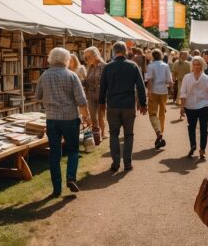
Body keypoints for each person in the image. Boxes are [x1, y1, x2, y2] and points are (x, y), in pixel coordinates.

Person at [36, 48, 90, 197]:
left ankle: (56, 189)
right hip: (70, 118)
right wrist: (87, 117)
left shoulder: (44, 76)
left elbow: (37, 95)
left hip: (52, 119)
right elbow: (81, 100)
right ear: (66, 59)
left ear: (51, 58)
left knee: (54, 154)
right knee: (73, 150)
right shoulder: (71, 75)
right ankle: (71, 177)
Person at [99, 41, 147, 172]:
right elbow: (141, 86)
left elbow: (102, 88)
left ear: (114, 52)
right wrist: (143, 104)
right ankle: (127, 163)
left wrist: (102, 103)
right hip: (128, 105)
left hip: (113, 105)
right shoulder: (133, 66)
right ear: (126, 51)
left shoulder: (108, 67)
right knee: (129, 135)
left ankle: (115, 163)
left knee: (113, 134)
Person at [180, 56, 208, 159]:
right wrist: (182, 107)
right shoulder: (187, 77)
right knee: (191, 127)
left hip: (204, 106)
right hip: (190, 107)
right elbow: (183, 93)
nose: (196, 66)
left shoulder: (207, 78)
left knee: (204, 128)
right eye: (194, 64)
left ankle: (202, 149)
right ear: (192, 65)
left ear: (202, 65)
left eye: (198, 64)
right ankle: (193, 145)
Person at [146, 49, 173, 149]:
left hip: (154, 90)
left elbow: (149, 79)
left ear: (153, 56)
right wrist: (172, 91)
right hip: (164, 91)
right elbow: (169, 80)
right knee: (162, 114)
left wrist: (149, 91)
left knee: (152, 113)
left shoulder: (151, 65)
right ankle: (161, 134)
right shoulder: (165, 65)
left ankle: (158, 132)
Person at [83, 46, 107, 140]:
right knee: (93, 116)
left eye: (89, 56)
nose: (87, 59)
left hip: (102, 96)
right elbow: (86, 81)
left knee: (101, 116)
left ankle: (103, 133)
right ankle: (96, 135)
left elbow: (107, 81)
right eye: (86, 57)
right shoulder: (89, 67)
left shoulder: (105, 66)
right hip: (90, 95)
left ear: (96, 55)